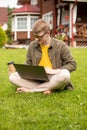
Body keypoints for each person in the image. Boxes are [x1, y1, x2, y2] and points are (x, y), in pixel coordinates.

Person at [8, 19, 76, 94]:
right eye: (35, 36)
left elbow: (72, 64)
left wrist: (55, 71)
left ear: (48, 33)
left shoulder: (61, 45)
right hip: (36, 78)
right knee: (13, 77)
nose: (37, 39)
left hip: (54, 77)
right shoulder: (32, 46)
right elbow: (28, 63)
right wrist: (19, 70)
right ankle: (48, 88)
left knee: (65, 74)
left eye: (39, 36)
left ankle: (32, 90)